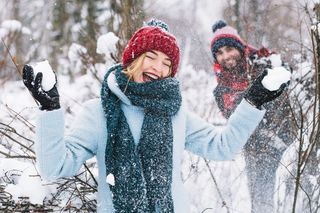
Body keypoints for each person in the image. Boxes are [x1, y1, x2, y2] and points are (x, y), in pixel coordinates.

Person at [22, 19, 284, 213]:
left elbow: (223, 147)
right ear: (134, 58)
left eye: (167, 63)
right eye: (151, 57)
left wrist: (253, 101)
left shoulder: (175, 113)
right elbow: (55, 167)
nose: (158, 68)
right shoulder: (99, 112)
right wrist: (49, 109)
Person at [210, 20, 294, 213]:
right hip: (254, 153)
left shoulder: (264, 65)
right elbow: (235, 123)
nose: (225, 56)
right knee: (261, 204)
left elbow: (285, 95)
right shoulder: (220, 89)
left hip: (284, 145)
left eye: (229, 48)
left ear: (240, 47)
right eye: (219, 53)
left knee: (292, 201)